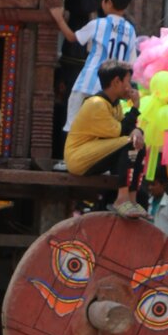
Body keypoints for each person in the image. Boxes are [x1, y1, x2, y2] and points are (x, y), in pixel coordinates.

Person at [49, 0, 138, 133]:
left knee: (74, 123)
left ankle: (71, 154)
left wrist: (58, 19)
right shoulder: (130, 30)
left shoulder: (98, 24)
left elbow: (72, 37)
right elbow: (131, 64)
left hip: (89, 82)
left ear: (108, 2)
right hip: (113, 88)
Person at [64, 58, 147, 219]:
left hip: (95, 153)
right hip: (78, 158)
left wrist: (137, 130)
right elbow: (121, 132)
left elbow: (128, 129)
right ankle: (121, 199)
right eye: (128, 82)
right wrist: (135, 108)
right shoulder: (96, 104)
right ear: (117, 81)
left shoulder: (115, 105)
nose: (130, 87)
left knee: (138, 145)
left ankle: (132, 199)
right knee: (130, 143)